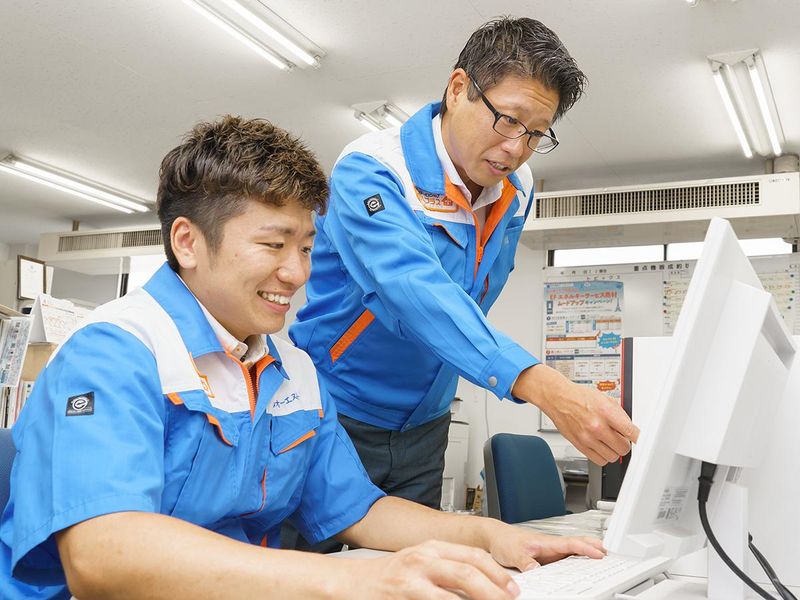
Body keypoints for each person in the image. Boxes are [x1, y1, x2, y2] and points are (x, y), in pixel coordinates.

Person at [0, 116, 605, 600]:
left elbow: (358, 509)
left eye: (308, 248)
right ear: (187, 242)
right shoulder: (115, 351)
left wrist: (492, 537)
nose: (296, 274)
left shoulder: (292, 369)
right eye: (273, 245)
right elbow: (103, 558)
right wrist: (347, 579)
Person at [290, 16, 640, 515]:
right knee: (309, 558)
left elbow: (477, 289)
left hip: (427, 421)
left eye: (536, 134)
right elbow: (414, 292)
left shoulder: (517, 188)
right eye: (508, 120)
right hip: (336, 408)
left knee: (418, 560)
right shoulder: (372, 169)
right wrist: (547, 388)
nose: (516, 149)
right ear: (458, 89)